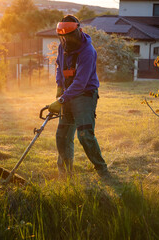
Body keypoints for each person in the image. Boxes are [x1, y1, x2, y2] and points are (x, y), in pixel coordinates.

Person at [48, 15, 110, 179]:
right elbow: (59, 66)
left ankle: (102, 170)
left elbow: (81, 83)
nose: (66, 39)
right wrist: (59, 86)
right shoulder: (63, 46)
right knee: (62, 135)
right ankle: (66, 173)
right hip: (68, 93)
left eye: (69, 35)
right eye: (63, 36)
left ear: (78, 31)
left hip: (85, 94)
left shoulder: (88, 52)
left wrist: (61, 100)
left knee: (84, 135)